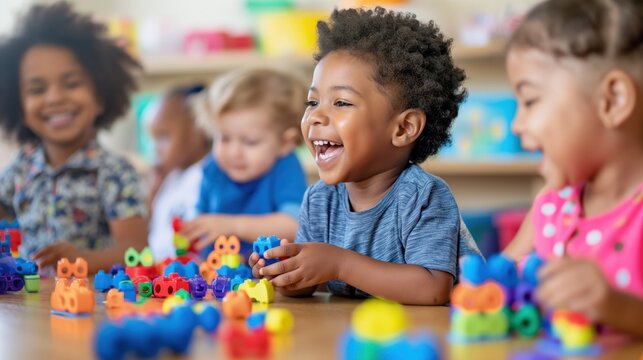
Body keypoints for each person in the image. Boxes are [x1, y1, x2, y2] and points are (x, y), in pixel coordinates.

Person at [250, 7, 480, 305]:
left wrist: (339, 264)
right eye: (313, 101)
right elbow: (311, 284)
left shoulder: (424, 197)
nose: (315, 116)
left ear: (403, 128)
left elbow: (433, 289)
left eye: (341, 102)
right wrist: (286, 272)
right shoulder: (320, 200)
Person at [503, 0, 643, 337]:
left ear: (612, 100)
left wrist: (620, 308)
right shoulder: (551, 206)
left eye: (530, 101)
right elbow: (499, 277)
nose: (516, 125)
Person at [0, 2, 147, 273]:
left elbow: (136, 249)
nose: (55, 98)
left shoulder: (113, 172)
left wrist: (84, 259)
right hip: (29, 305)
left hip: (90, 304)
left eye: (71, 84)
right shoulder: (21, 167)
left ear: (101, 96)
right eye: (37, 89)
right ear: (17, 105)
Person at [180, 68, 308, 258]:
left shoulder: (285, 167)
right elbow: (199, 216)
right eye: (224, 138)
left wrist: (231, 225)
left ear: (285, 143)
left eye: (250, 142)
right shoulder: (213, 167)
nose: (234, 152)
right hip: (215, 274)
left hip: (267, 277)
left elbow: (293, 225)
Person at [145, 85, 211, 260]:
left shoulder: (209, 174)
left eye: (163, 137)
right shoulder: (170, 176)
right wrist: (152, 192)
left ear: (201, 129)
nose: (155, 149)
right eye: (152, 138)